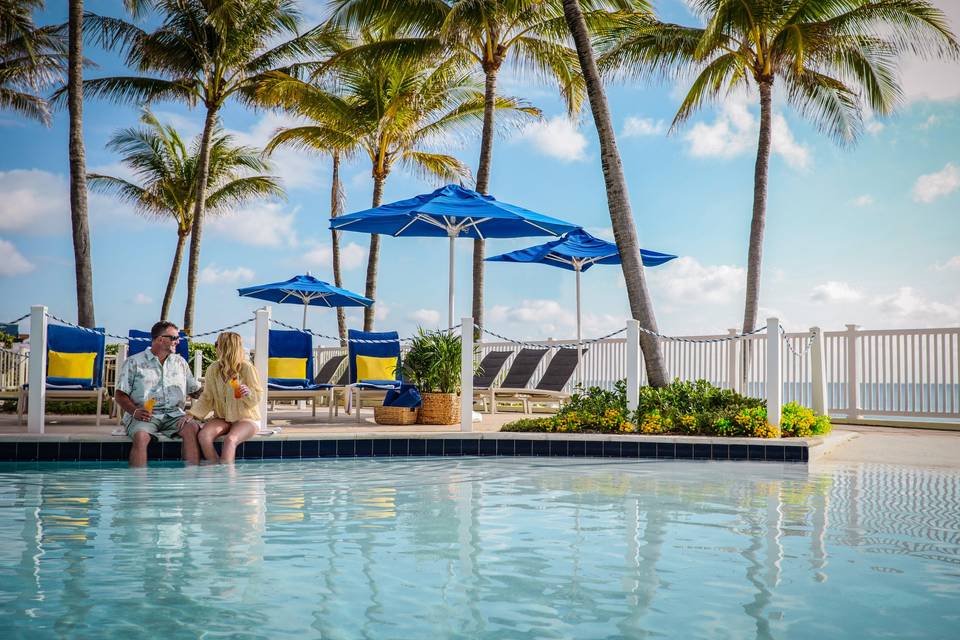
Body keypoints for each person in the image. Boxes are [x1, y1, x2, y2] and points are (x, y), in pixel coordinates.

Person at [115, 321, 202, 467]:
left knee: (191, 429)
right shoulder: (134, 362)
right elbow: (120, 394)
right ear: (160, 339)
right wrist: (134, 411)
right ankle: (137, 484)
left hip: (175, 415)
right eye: (174, 338)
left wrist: (218, 390)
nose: (178, 341)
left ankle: (191, 478)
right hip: (145, 415)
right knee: (141, 437)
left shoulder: (180, 362)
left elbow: (194, 391)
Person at [189, 331, 262, 464]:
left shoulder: (247, 368)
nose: (215, 347)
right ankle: (215, 470)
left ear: (226, 348)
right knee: (204, 436)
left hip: (246, 418)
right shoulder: (213, 369)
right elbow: (207, 397)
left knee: (230, 440)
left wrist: (248, 393)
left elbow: (256, 398)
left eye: (217, 344)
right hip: (223, 417)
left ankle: (227, 479)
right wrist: (192, 414)